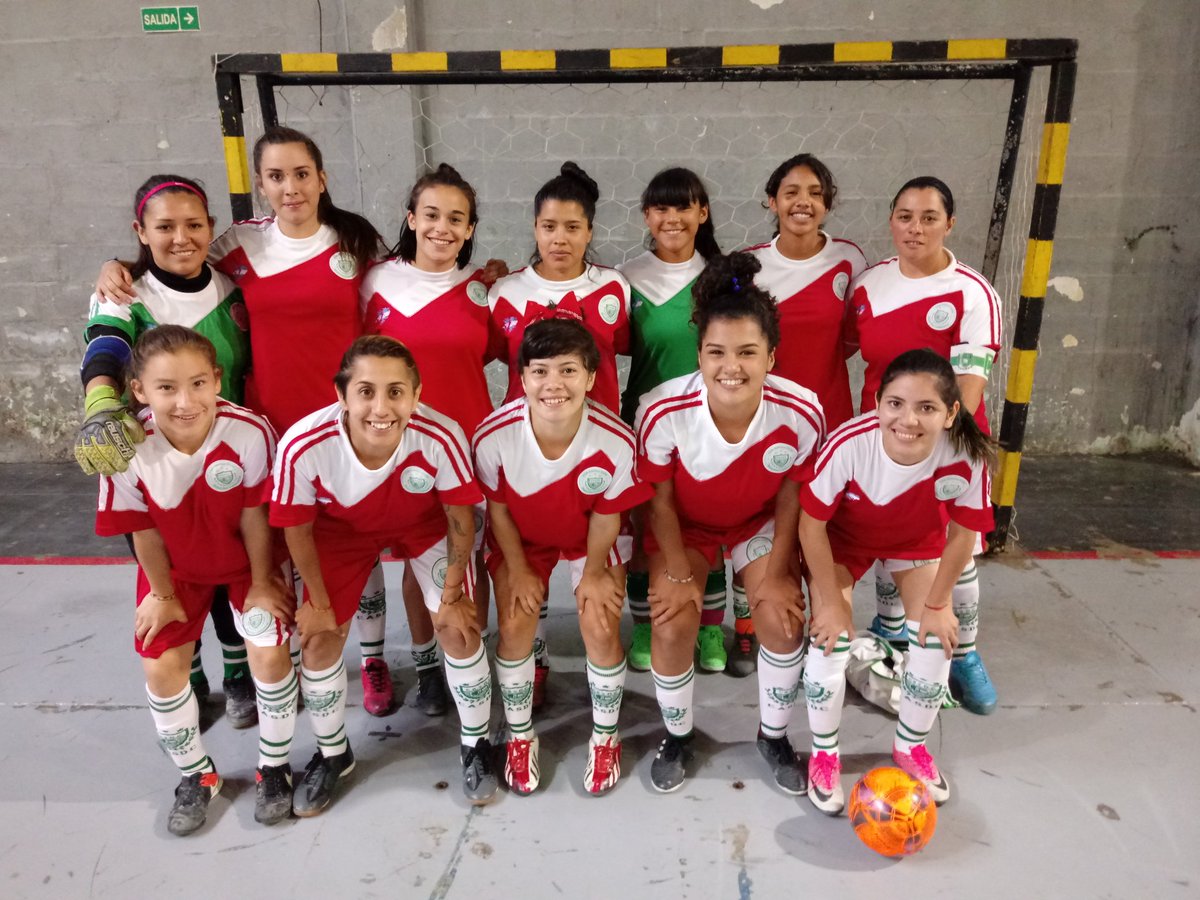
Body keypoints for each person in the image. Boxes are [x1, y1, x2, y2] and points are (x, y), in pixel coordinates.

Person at [95, 128, 409, 719]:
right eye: (276, 176)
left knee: (353, 544)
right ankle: (279, 658)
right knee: (278, 550)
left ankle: (371, 658)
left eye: (301, 173)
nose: (290, 187)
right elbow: (175, 263)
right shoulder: (238, 245)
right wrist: (117, 266)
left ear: (322, 178)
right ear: (260, 184)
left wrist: (485, 273)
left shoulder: (355, 242)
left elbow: (411, 277)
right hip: (270, 427)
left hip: (345, 424)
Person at [270, 335, 498, 807]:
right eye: (366, 391)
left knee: (458, 629)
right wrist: (317, 603)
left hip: (423, 526)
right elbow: (297, 528)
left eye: (396, 392)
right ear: (341, 394)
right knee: (318, 638)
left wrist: (453, 595)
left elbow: (458, 517)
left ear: (416, 395)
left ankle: (476, 745)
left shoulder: (441, 435)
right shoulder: (303, 444)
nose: (381, 407)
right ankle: (333, 753)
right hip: (340, 534)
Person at [634, 252, 825, 794]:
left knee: (782, 620)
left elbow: (790, 498)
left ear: (771, 356)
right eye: (716, 352)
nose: (731, 367)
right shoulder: (661, 410)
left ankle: (774, 735)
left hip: (756, 526)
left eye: (747, 352)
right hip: (687, 529)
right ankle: (678, 736)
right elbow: (659, 502)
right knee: (672, 622)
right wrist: (676, 571)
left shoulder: (802, 411)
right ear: (699, 354)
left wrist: (780, 570)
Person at [94, 326, 296, 834]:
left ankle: (274, 767)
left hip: (247, 565)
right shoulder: (123, 447)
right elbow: (140, 528)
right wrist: (162, 594)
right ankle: (197, 775)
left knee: (269, 654)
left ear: (217, 380)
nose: (185, 402)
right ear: (139, 390)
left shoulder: (250, 431)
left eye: (198, 384)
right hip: (175, 571)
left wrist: (261, 582)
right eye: (166, 388)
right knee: (160, 667)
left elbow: (256, 516)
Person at [79, 174, 258, 728]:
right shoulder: (124, 293)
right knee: (170, 570)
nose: (181, 237)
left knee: (231, 563)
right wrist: (100, 401)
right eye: (164, 227)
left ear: (211, 228)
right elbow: (105, 346)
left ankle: (238, 673)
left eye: (194, 224)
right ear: (141, 231)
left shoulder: (231, 287)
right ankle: (192, 674)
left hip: (227, 451)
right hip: (154, 456)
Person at [798, 348, 996, 814]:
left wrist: (939, 604)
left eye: (926, 407)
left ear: (951, 413)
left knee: (935, 637)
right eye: (895, 404)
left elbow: (964, 533)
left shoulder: (966, 456)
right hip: (844, 543)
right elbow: (811, 525)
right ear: (877, 403)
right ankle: (824, 757)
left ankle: (911, 746)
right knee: (830, 638)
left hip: (914, 543)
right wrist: (831, 603)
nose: (908, 419)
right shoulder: (849, 444)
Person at [474, 320, 651, 796]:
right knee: (515, 622)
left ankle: (605, 736)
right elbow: (498, 510)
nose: (554, 384)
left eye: (568, 370)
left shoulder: (616, 439)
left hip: (589, 537)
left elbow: (607, 518)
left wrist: (592, 572)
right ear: (522, 378)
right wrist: (517, 568)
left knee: (599, 623)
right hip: (523, 538)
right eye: (540, 371)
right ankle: (520, 735)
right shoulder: (493, 437)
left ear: (591, 377)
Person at [848, 176, 1002, 715]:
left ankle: (967, 655)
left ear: (949, 224)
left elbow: (970, 386)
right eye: (905, 216)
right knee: (890, 536)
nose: (915, 228)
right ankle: (891, 632)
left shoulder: (973, 292)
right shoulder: (867, 285)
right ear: (891, 219)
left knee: (956, 548)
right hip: (880, 439)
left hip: (949, 443)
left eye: (929, 218)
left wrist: (929, 447)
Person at [362, 163, 508, 715]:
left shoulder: (485, 290)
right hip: (400, 449)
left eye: (455, 218)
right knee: (417, 557)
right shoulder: (373, 282)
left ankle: (471, 655)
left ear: (470, 229)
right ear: (410, 219)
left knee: (470, 559)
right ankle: (427, 667)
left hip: (468, 447)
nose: (442, 228)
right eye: (431, 215)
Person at [488, 161, 632, 707]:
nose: (560, 238)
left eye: (573, 227)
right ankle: (537, 654)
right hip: (528, 453)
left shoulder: (613, 286)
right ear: (534, 228)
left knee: (596, 584)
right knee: (526, 582)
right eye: (549, 226)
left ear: (590, 231)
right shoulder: (504, 292)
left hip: (596, 456)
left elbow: (626, 350)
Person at [617, 167, 736, 677]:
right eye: (661, 208)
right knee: (647, 527)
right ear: (647, 216)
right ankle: (646, 624)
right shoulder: (625, 280)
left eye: (684, 206)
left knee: (708, 526)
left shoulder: (723, 277)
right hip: (645, 424)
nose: (672, 218)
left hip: (713, 423)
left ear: (702, 213)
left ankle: (709, 626)